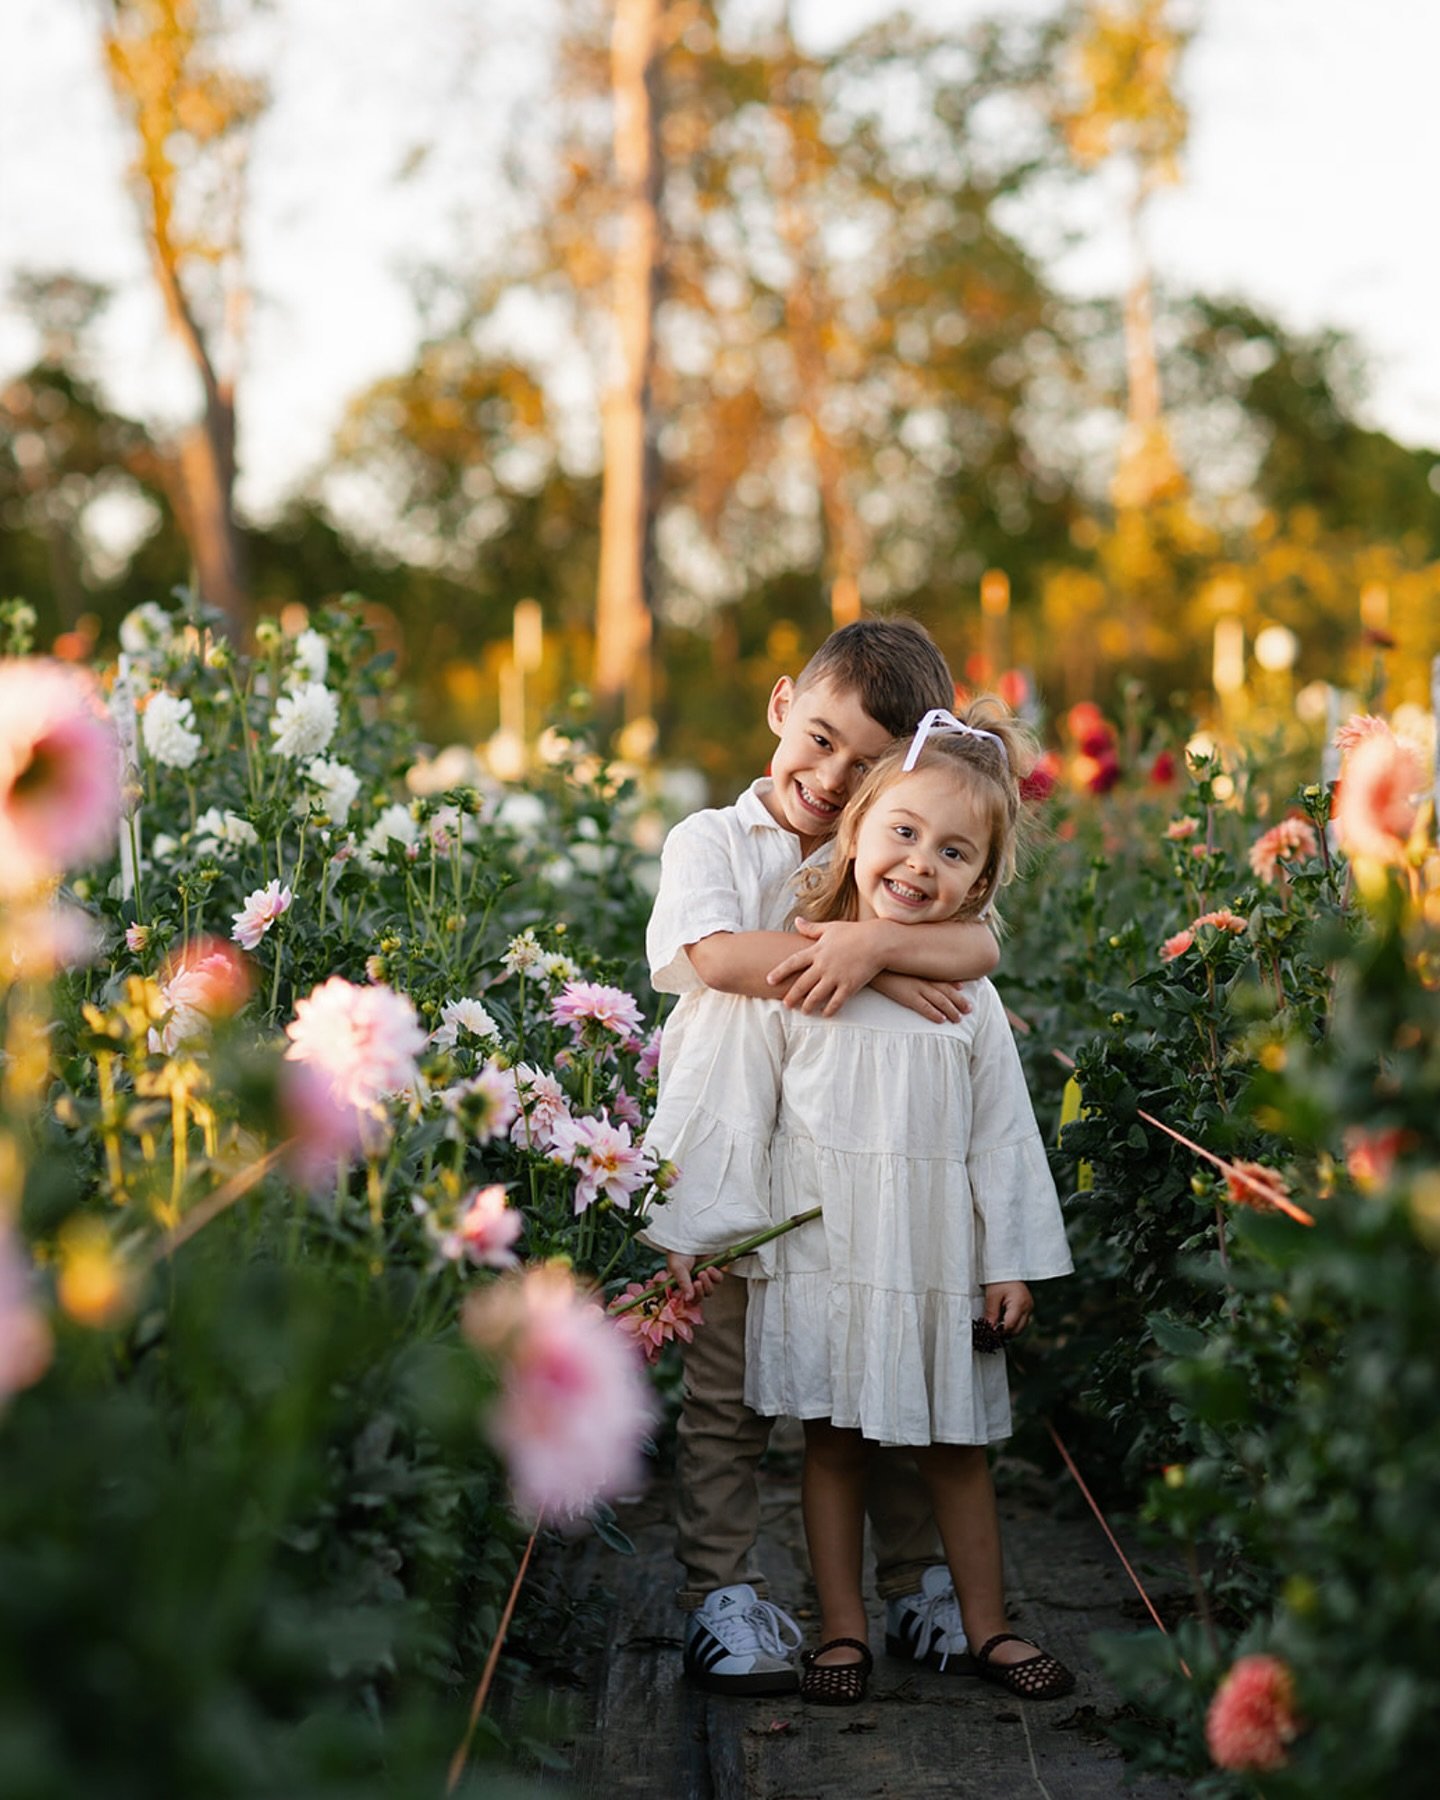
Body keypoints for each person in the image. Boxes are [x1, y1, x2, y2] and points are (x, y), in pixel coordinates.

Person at [641, 620, 1003, 1696]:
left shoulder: (892, 851)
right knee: (726, 1397)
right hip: (733, 1166)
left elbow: (980, 947)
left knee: (877, 1379)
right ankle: (726, 1596)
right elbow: (713, 955)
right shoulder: (711, 841)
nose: (831, 776)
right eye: (820, 738)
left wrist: (878, 936)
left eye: (866, 764)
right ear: (781, 703)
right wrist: (872, 962)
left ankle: (912, 1586)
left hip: (854, 1174)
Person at [743, 703, 1075, 1705]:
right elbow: (756, 1104)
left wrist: (1006, 1260)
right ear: (858, 829)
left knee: (956, 1450)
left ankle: (988, 1628)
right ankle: (842, 1631)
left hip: (935, 1253)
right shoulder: (805, 965)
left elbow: (1001, 1135)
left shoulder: (964, 1003)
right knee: (832, 1445)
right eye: (902, 831)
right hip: (829, 1249)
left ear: (981, 881)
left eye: (952, 851)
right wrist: (724, 1228)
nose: (919, 863)